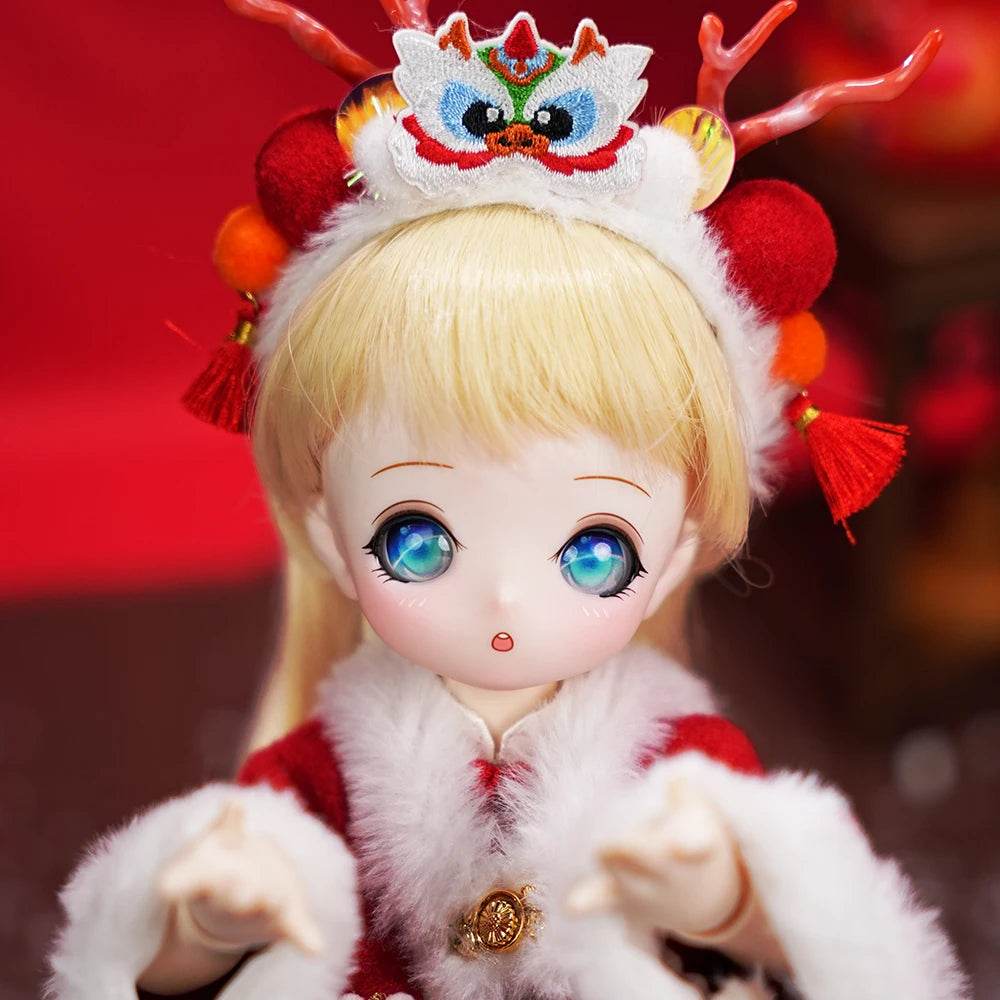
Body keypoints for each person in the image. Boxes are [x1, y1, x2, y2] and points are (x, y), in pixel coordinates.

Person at [48, 5, 967, 998]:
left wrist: (724, 904)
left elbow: (811, 950)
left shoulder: (676, 767)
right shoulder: (323, 774)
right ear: (327, 528)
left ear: (676, 546)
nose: (503, 600)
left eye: (594, 551)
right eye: (415, 539)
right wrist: (205, 924)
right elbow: (182, 959)